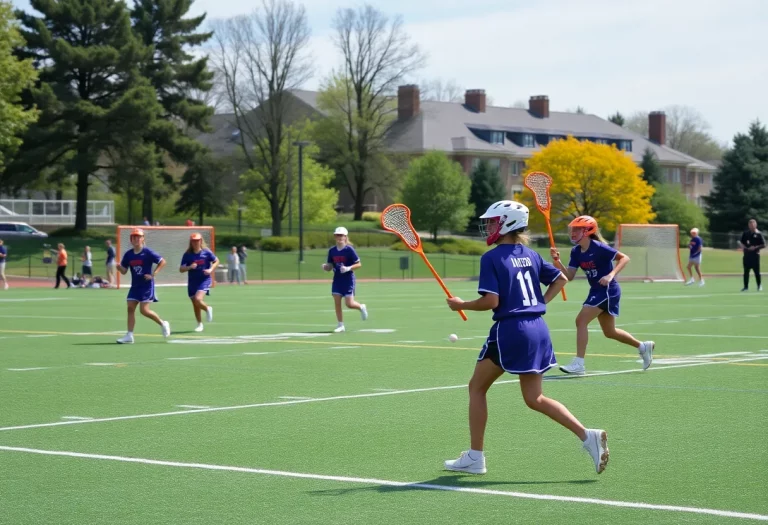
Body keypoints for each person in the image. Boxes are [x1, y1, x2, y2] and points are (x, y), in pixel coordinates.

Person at [443, 200, 608, 476]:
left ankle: (475, 457)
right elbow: (561, 279)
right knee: (534, 398)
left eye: (493, 222)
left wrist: (462, 305)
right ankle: (587, 435)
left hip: (510, 330)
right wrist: (539, 302)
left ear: (506, 223)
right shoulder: (530, 255)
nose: (489, 227)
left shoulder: (492, 258)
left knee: (476, 388)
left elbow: (491, 301)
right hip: (538, 328)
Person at [550, 216, 654, 375]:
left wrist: (611, 275)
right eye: (573, 229)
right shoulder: (576, 251)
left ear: (588, 231)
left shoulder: (599, 247)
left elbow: (624, 258)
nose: (573, 232)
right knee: (609, 332)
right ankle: (642, 346)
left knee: (581, 320)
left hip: (608, 290)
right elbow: (569, 276)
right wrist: (557, 262)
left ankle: (579, 363)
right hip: (596, 290)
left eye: (578, 229)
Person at [115, 228, 171, 344]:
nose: (136, 239)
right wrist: (119, 267)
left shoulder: (148, 252)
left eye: (138, 237)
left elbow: (162, 261)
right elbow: (124, 271)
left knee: (144, 311)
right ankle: (129, 335)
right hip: (135, 286)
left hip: (146, 286)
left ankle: (162, 323)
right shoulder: (129, 254)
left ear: (142, 238)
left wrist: (153, 274)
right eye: (134, 237)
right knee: (130, 308)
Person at [322, 226, 368, 333]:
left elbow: (359, 264)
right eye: (337, 235)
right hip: (337, 279)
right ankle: (340, 325)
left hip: (348, 280)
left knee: (349, 304)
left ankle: (361, 307)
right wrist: (326, 267)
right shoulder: (332, 251)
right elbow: (330, 264)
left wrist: (348, 268)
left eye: (341, 235)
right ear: (335, 236)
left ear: (345, 237)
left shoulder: (349, 250)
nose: (339, 237)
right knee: (337, 302)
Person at [180, 233, 219, 332]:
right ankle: (199, 324)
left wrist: (210, 270)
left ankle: (207, 308)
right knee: (195, 304)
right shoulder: (187, 254)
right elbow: (181, 269)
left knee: (198, 299)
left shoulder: (206, 252)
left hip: (204, 280)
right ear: (191, 242)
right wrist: (189, 267)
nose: (196, 242)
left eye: (197, 240)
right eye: (193, 241)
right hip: (193, 281)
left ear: (201, 241)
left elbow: (216, 261)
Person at [740, 219, 765, 292]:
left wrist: (755, 247)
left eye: (753, 225)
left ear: (755, 225)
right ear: (748, 225)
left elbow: (764, 244)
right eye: (750, 225)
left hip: (755, 255)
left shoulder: (759, 234)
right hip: (747, 255)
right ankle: (745, 287)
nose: (752, 226)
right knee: (746, 272)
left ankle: (759, 285)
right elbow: (742, 242)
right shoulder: (746, 233)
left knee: (756, 272)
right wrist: (744, 247)